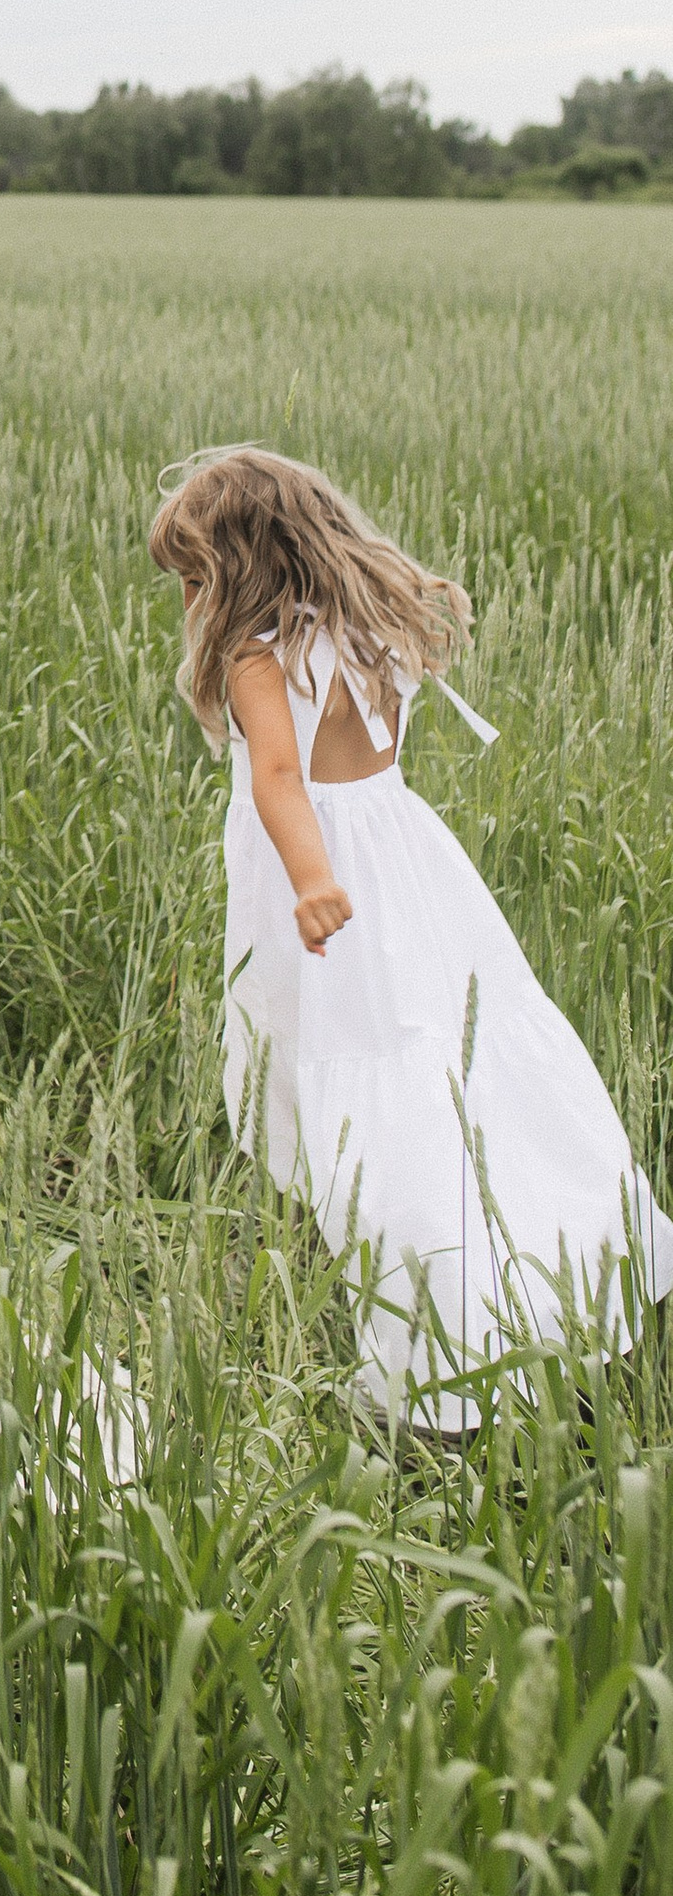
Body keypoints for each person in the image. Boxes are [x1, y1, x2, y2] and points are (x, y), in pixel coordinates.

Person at [150, 444, 673, 1428]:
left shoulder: (259, 659)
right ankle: (569, 1268)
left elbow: (275, 781)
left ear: (237, 567)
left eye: (192, 576)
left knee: (362, 1102)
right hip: (414, 878)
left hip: (333, 900)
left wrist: (310, 882)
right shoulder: (368, 632)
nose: (186, 597)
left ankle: (431, 1358)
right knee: (460, 1073)